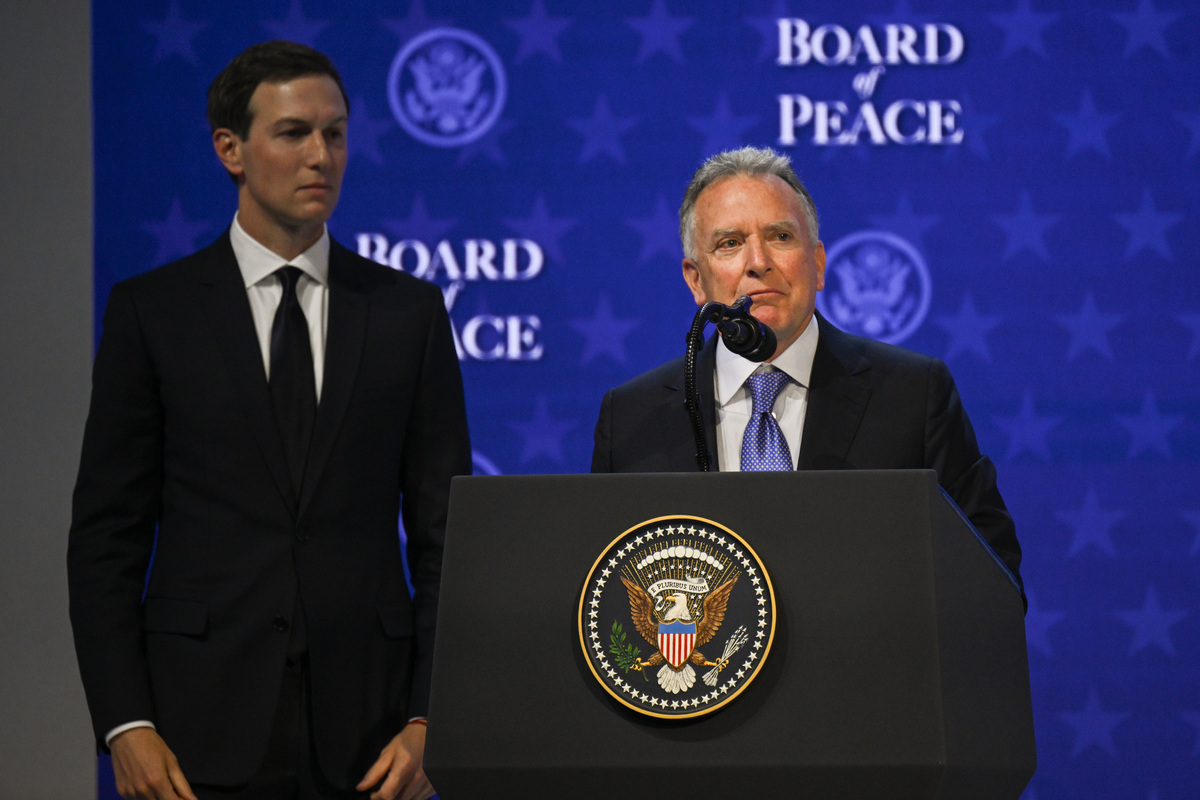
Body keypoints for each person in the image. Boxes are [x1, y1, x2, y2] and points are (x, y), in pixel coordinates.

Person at [68, 41, 471, 800]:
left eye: (336, 133)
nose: (321, 155)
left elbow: (447, 536)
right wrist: (125, 723)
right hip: (194, 733)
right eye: (294, 133)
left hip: (371, 738)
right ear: (231, 150)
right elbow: (105, 539)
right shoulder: (152, 313)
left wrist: (430, 717)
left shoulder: (407, 314)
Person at [590, 145, 1022, 593]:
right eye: (730, 243)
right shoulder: (633, 419)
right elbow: (603, 595)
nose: (758, 262)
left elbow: (991, 578)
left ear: (817, 263)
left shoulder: (913, 396)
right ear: (696, 280)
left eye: (779, 236)